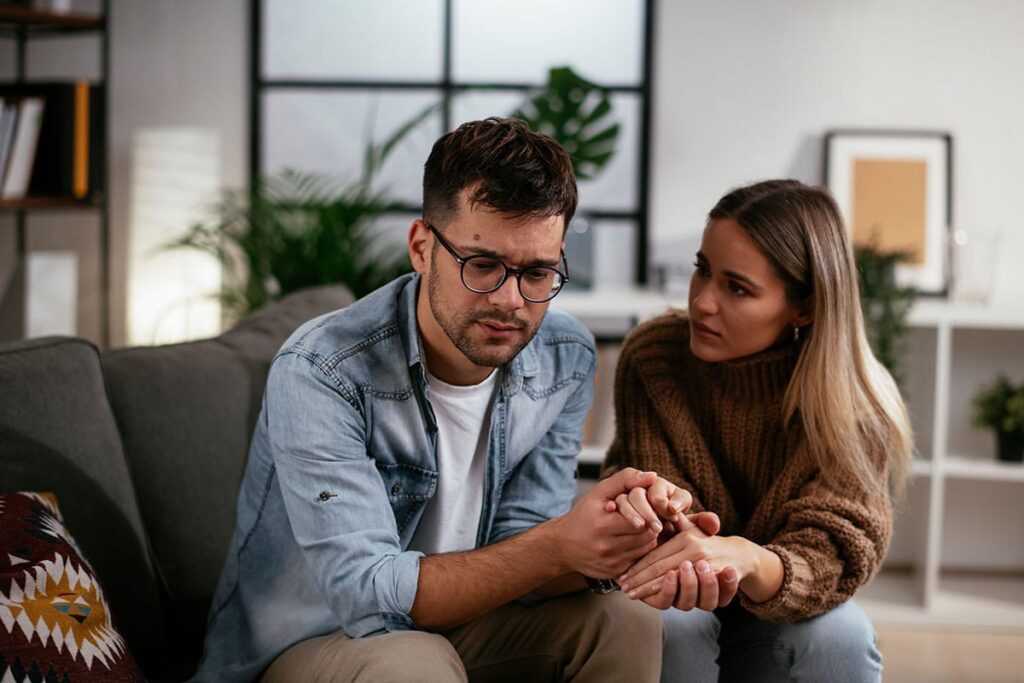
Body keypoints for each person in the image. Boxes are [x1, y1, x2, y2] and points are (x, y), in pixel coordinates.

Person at [192, 117, 674, 683]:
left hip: (459, 627)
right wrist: (558, 546)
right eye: (483, 265)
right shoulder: (322, 369)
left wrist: (615, 543)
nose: (510, 301)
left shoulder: (564, 356)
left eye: (538, 272)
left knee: (625, 621)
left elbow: (520, 551)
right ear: (422, 248)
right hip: (310, 643)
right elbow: (367, 595)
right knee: (414, 661)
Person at [603, 179, 913, 682]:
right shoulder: (654, 357)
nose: (703, 301)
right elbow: (652, 511)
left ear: (805, 307)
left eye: (737, 288)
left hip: (784, 601)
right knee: (669, 624)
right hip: (679, 596)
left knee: (842, 636)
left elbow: (832, 553)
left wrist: (747, 557)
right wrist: (651, 513)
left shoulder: (854, 406)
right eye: (702, 270)